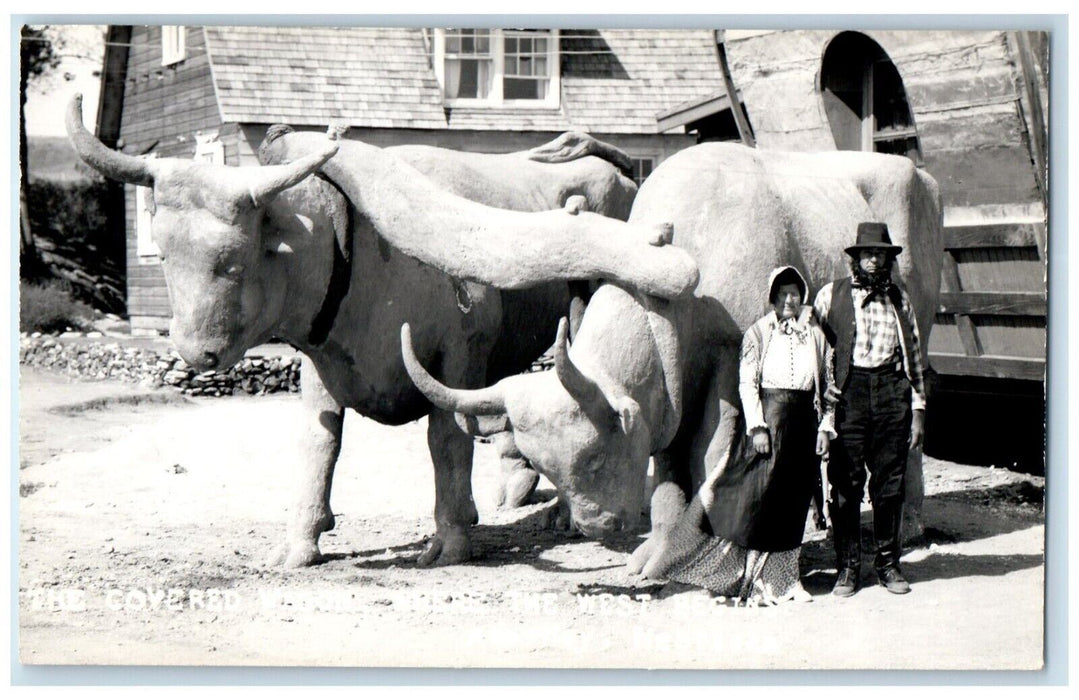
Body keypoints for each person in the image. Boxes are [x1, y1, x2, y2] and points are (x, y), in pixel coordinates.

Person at [666, 266, 835, 605]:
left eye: (795, 294)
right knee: (755, 500)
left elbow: (829, 387)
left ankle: (784, 581)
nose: (790, 300)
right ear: (773, 297)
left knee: (793, 502)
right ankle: (741, 578)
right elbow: (747, 384)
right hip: (769, 421)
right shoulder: (757, 334)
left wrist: (826, 426)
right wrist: (757, 427)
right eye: (783, 294)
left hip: (804, 424)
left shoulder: (815, 336)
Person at [813, 222, 926, 597]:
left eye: (881, 254)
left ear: (889, 260)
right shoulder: (832, 295)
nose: (875, 260)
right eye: (868, 254)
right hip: (850, 395)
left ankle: (888, 565)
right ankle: (847, 568)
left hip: (892, 394)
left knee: (890, 486)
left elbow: (914, 357)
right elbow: (814, 343)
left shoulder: (899, 299)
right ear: (856, 258)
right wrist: (824, 394)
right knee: (845, 484)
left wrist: (919, 409)